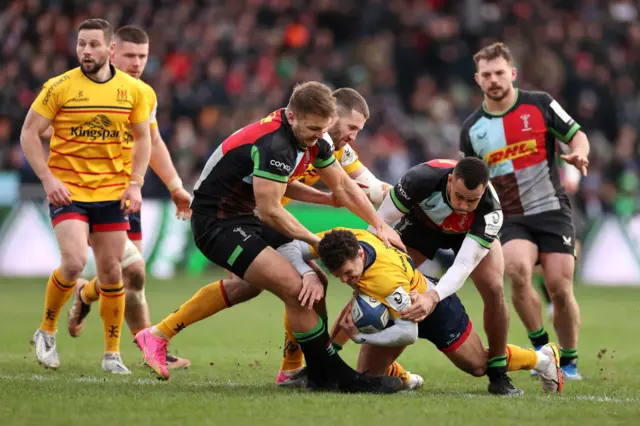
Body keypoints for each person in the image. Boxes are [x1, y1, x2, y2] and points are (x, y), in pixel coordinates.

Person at [134, 81, 405, 393]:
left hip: (246, 215)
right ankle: (328, 375)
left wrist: (380, 225)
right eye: (314, 129)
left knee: (278, 285)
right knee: (297, 287)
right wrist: (315, 243)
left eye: (323, 130)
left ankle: (159, 336)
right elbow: (271, 210)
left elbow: (342, 187)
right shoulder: (274, 144)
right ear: (292, 117)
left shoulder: (314, 138)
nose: (319, 137)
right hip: (217, 222)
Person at [277, 228, 563, 394]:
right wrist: (308, 272)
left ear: (360, 255)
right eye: (338, 275)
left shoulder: (386, 281)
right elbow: (289, 247)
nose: (345, 279)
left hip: (433, 311)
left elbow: (407, 332)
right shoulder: (344, 240)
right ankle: (406, 378)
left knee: (477, 366)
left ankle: (542, 358)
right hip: (396, 311)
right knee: (366, 375)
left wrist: (361, 339)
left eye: (349, 273)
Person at [21, 19, 152, 374]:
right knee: (76, 261)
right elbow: (29, 133)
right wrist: (48, 180)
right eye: (81, 44)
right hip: (69, 191)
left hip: (112, 194)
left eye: (94, 45)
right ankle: (46, 331)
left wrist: (135, 183)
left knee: (112, 272)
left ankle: (112, 355)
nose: (86, 52)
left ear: (110, 50)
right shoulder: (59, 87)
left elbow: (144, 139)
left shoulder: (134, 91)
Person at [61, 25, 192, 370]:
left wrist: (175, 186)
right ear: (112, 51)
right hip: (91, 195)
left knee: (131, 277)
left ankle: (87, 294)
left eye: (143, 56)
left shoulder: (142, 93)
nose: (137, 63)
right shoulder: (81, 88)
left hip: (126, 196)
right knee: (129, 271)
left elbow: (154, 141)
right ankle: (144, 349)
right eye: (130, 55)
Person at [459, 42, 590, 380]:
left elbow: (577, 135)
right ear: (477, 79)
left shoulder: (540, 104)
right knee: (516, 270)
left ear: (512, 74)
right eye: (486, 75)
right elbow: (469, 179)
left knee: (560, 288)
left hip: (552, 209)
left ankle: (570, 360)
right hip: (511, 216)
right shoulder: (472, 130)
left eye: (499, 72)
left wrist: (578, 153)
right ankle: (543, 348)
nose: (494, 80)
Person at [367, 156, 522, 395]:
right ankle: (330, 355)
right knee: (377, 277)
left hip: (467, 234)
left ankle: (499, 373)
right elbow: (379, 224)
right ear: (450, 180)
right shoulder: (419, 179)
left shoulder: (490, 211)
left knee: (493, 287)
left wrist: (433, 296)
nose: (463, 205)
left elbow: (462, 265)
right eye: (459, 196)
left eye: (472, 200)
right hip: (422, 226)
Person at [275, 87, 393, 384]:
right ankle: (299, 367)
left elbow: (372, 188)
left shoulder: (339, 149)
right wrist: (376, 222)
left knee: (304, 285)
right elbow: (342, 188)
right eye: (351, 127)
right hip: (253, 216)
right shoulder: (307, 139)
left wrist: (410, 195)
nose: (354, 135)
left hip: (270, 218)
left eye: (359, 130)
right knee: (302, 284)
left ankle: (294, 367)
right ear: (333, 115)